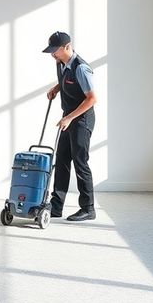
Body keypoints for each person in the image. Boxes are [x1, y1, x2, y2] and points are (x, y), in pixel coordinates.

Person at [42, 31, 98, 221]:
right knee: (62, 159)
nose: (52, 54)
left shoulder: (82, 68)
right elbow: (66, 78)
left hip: (81, 119)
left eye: (55, 50)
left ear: (67, 47)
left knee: (80, 161)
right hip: (69, 118)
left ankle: (88, 208)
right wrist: (57, 88)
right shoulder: (61, 63)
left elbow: (92, 99)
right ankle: (56, 206)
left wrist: (70, 118)